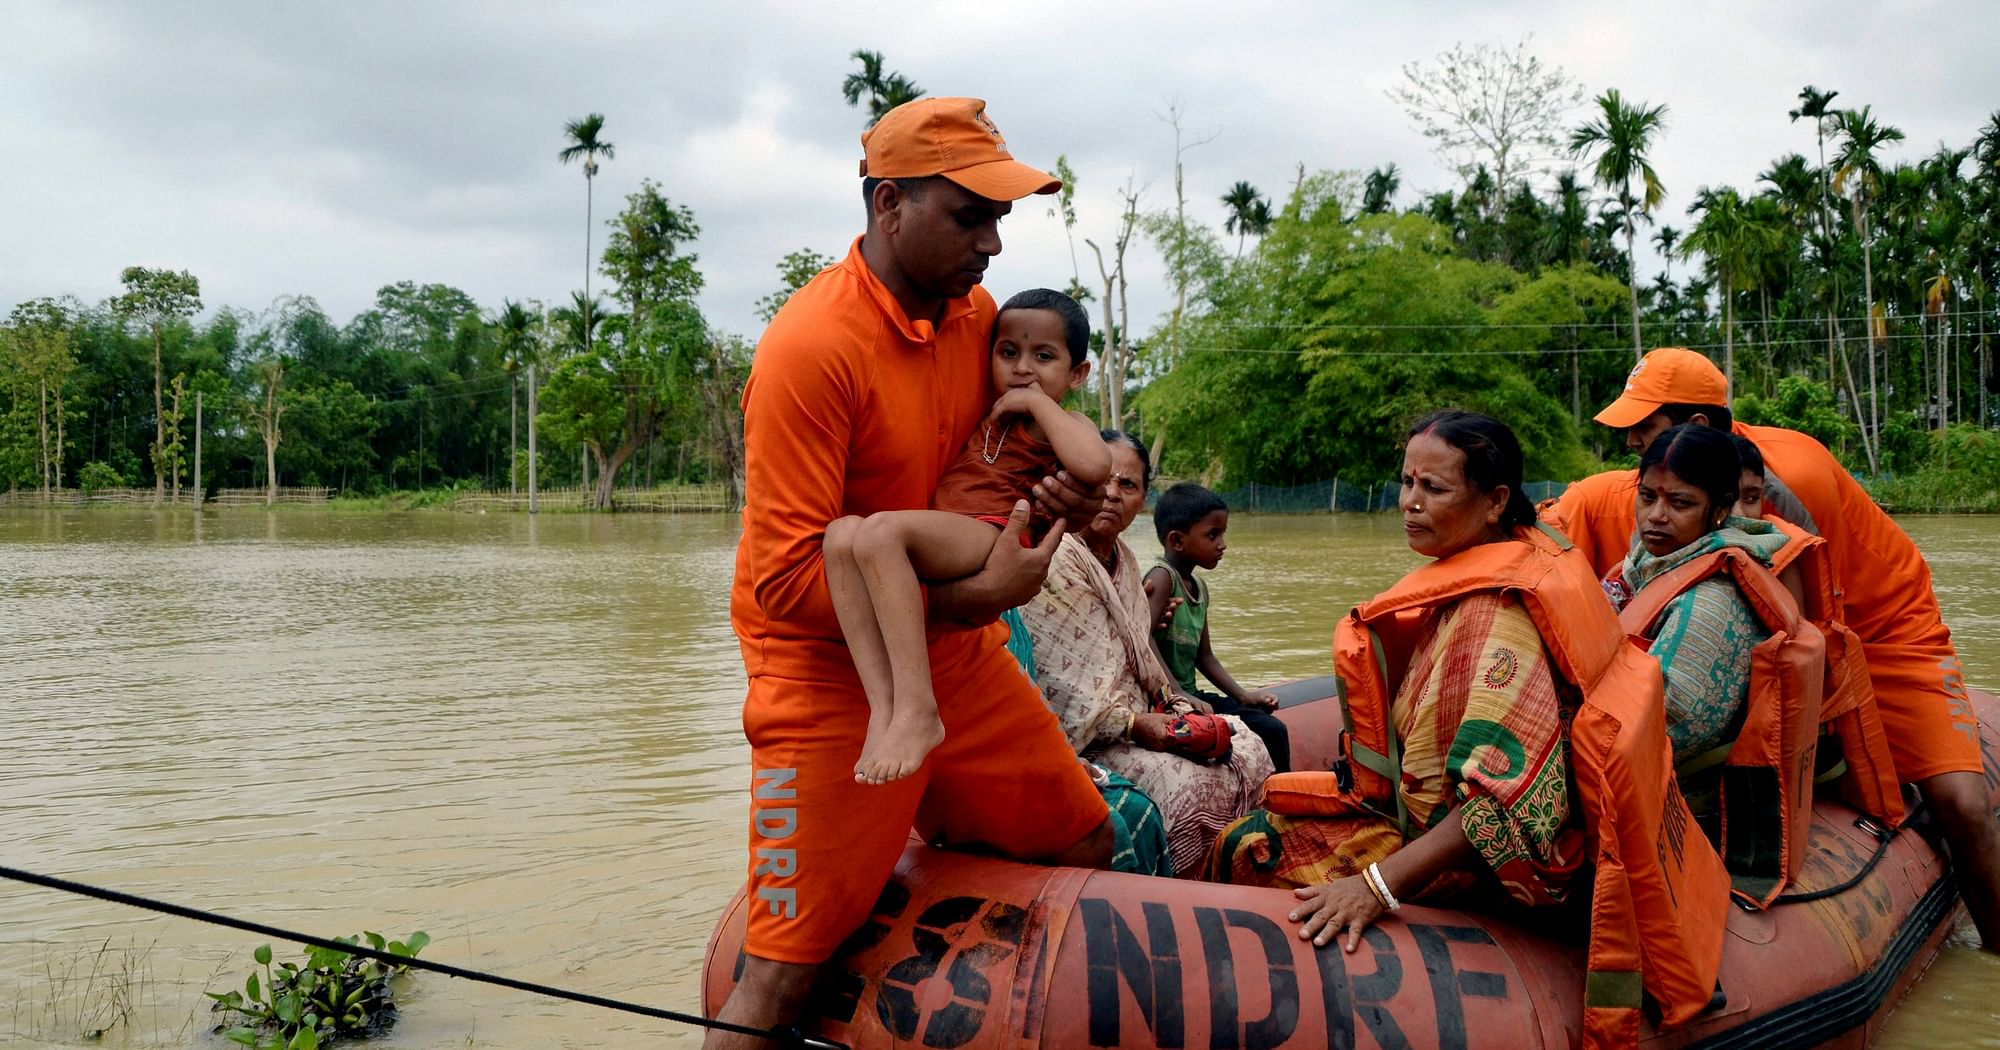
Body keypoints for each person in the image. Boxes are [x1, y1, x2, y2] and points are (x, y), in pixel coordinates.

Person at [714, 97, 1115, 1048]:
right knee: (775, 978)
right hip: (826, 673)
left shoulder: (981, 319)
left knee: (1083, 840)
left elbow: (1013, 449)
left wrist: (1051, 500)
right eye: (971, 216)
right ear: (889, 204)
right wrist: (976, 596)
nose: (994, 243)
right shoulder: (811, 348)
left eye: (1002, 219)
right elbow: (781, 585)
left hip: (957, 656)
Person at [1210, 411, 1729, 1042]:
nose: (1410, 503)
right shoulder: (1504, 562)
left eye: (1434, 489)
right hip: (1427, 812)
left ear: (1495, 502)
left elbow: (1501, 809)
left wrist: (1374, 888)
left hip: (1488, 861)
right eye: (1406, 483)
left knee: (1247, 853)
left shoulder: (1500, 611)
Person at [1551, 346, 2000, 949]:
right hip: (1798, 624)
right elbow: (1537, 545)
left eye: (1645, 427)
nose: (1632, 441)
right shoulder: (1630, 489)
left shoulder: (1790, 483)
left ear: (1699, 431)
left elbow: (1812, 623)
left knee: (1964, 806)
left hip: (1882, 625)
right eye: (1648, 492)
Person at [825, 287, 1110, 785]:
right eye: (1008, 354)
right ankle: (883, 708)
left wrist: (1037, 405)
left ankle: (918, 708)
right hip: (957, 527)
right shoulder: (988, 406)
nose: (1023, 368)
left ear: (1078, 373)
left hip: (994, 532)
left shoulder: (1064, 421)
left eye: (1043, 357)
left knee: (878, 534)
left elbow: (1095, 464)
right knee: (840, 534)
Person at [1018, 431, 1276, 877]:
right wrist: (1138, 726)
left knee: (1248, 745)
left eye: (1128, 485)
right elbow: (1063, 687)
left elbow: (1138, 653)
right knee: (1184, 783)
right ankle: (1181, 894)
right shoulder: (1053, 556)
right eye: (1103, 480)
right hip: (1085, 738)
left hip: (1140, 716)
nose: (1112, 494)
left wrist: (1172, 705)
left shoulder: (1126, 561)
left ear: (1142, 503)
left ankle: (1239, 871)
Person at [1601, 425, 1828, 904]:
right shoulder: (1646, 561)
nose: (1656, 516)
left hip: (1674, 785)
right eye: (1647, 497)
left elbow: (1667, 730)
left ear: (1720, 509)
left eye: (1680, 503)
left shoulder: (1710, 601)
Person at [1144, 482, 1292, 772]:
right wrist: (1177, 693)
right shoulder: (1163, 578)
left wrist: (1244, 696)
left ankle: (1283, 800)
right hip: (1163, 702)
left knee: (1272, 728)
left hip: (1191, 694)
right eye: (1213, 535)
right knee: (1254, 736)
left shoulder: (1199, 586)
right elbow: (1141, 635)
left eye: (1223, 533)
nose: (1222, 544)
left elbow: (1205, 657)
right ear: (1177, 541)